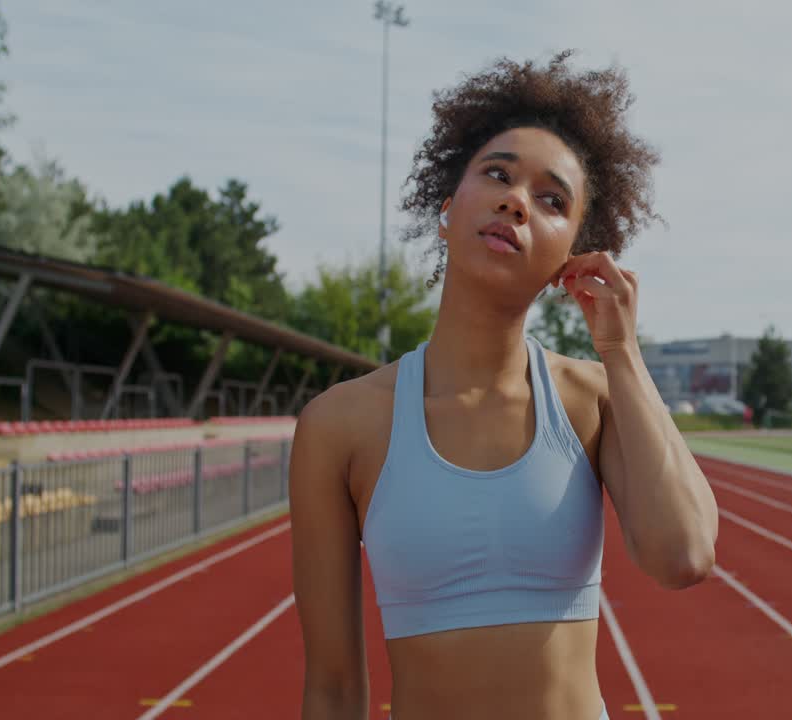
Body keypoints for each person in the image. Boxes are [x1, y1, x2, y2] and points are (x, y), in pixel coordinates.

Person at [289, 50, 719, 720]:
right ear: (446, 209)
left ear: (569, 256)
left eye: (552, 200)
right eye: (497, 174)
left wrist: (621, 352)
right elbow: (334, 687)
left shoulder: (591, 399)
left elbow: (684, 555)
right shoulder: (340, 425)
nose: (517, 201)